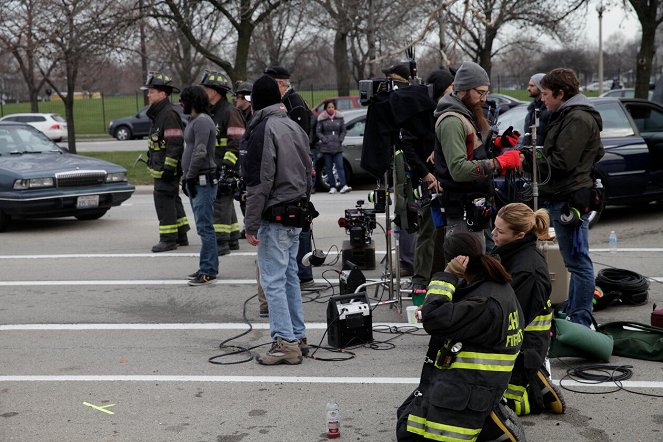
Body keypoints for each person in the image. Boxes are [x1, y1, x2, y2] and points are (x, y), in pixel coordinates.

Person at [396, 232, 525, 441]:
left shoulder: (484, 303)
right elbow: (455, 312)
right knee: (405, 413)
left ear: (454, 261)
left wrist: (447, 276)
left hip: (466, 393)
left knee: (406, 432)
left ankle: (493, 432)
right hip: (477, 385)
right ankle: (491, 424)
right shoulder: (496, 285)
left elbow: (434, 320)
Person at [243, 74, 312, 365]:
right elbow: (309, 170)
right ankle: (297, 336)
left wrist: (251, 223)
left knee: (273, 280)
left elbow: (260, 181)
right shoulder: (294, 125)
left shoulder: (263, 128)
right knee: (288, 278)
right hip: (297, 210)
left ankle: (285, 342)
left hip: (275, 212)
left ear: (256, 101)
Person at [537, 68, 604, 327]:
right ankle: (576, 314)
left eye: (545, 94)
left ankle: (581, 319)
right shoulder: (571, 114)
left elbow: (563, 161)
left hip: (570, 195)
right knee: (574, 261)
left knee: (578, 262)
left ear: (560, 93)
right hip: (569, 191)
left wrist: (531, 160)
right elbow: (595, 152)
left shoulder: (577, 118)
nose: (543, 99)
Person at [433, 61, 523, 252]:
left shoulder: (467, 113)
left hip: (478, 205)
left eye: (486, 92)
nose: (484, 98)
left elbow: (473, 153)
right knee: (468, 267)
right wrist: (499, 162)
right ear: (463, 90)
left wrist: (498, 145)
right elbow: (458, 170)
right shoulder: (452, 120)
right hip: (463, 210)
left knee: (489, 259)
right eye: (480, 92)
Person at [491, 203, 565, 416]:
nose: (493, 233)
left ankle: (534, 389)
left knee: (503, 406)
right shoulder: (510, 253)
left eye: (500, 231)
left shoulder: (527, 271)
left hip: (525, 345)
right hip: (523, 341)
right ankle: (533, 379)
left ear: (519, 235)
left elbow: (512, 320)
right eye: (494, 227)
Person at [264, 65, 315, 288]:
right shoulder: (286, 102)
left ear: (281, 84)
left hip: (296, 171)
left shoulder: (294, 104)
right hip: (293, 170)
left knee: (300, 220)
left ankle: (304, 273)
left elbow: (300, 141)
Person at [141, 71, 190, 253]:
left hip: (166, 169)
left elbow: (175, 143)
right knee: (172, 199)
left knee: (164, 201)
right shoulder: (159, 113)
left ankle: (168, 239)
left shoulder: (168, 114)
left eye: (151, 91)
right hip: (161, 167)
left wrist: (169, 167)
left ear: (162, 94)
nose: (148, 94)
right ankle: (181, 234)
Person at [200, 70, 245, 256]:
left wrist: (227, 168)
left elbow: (237, 143)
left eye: (206, 88)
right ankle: (233, 237)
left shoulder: (229, 112)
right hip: (214, 165)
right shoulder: (212, 113)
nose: (203, 91)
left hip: (225, 167)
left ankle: (221, 242)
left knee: (219, 204)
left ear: (215, 91)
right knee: (224, 202)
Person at [179, 86, 219, 286]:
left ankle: (209, 270)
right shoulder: (193, 121)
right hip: (196, 179)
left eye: (183, 100)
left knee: (205, 228)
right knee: (203, 227)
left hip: (203, 180)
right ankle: (206, 266)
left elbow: (200, 151)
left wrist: (190, 176)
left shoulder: (202, 121)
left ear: (192, 101)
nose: (181, 104)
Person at [316, 99, 350, 194]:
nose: (331, 109)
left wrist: (340, 139)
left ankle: (343, 185)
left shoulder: (340, 118)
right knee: (328, 168)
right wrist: (324, 139)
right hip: (326, 148)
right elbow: (318, 132)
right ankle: (332, 186)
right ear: (326, 108)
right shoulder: (322, 119)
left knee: (340, 166)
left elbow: (343, 130)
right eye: (329, 107)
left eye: (332, 107)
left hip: (337, 147)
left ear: (335, 108)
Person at [522, 73, 551, 147]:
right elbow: (527, 137)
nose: (528, 88)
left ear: (541, 87)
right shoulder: (531, 110)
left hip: (541, 156)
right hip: (529, 155)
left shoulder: (550, 111)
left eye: (532, 86)